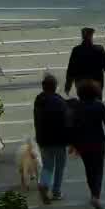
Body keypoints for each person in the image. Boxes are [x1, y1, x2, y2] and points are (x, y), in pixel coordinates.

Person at [68, 79, 105, 209]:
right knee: (98, 169)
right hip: (98, 142)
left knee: (89, 169)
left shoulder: (77, 107)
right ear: (95, 92)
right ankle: (96, 195)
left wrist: (72, 144)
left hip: (83, 144)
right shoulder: (99, 105)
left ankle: (93, 192)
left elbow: (72, 127)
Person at [32, 71, 69, 202]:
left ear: (43, 86)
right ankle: (56, 191)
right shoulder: (60, 102)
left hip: (44, 140)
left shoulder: (39, 100)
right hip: (59, 141)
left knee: (47, 166)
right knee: (60, 166)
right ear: (55, 86)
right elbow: (66, 122)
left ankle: (44, 185)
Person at [64, 27, 105, 96]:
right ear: (91, 36)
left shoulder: (76, 51)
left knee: (83, 104)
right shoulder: (99, 50)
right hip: (96, 86)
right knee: (97, 104)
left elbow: (71, 70)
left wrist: (67, 87)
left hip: (81, 87)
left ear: (82, 37)